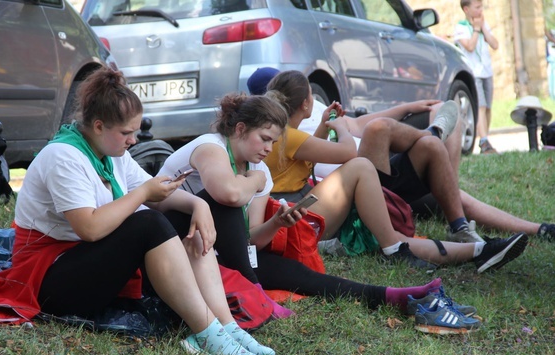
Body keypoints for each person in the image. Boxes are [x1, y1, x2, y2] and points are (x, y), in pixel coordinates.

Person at [0, 68, 275, 355]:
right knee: (149, 224)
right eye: (126, 133)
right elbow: (90, 227)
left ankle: (226, 326)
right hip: (48, 278)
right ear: (99, 126)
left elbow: (157, 191)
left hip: (88, 263)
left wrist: (199, 207)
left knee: (183, 222)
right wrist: (143, 195)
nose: (133, 140)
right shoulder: (62, 156)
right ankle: (208, 334)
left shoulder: (114, 154)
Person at [158, 92, 482, 334]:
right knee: (227, 203)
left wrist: (274, 223)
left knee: (307, 279)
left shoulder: (258, 169)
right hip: (172, 242)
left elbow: (247, 241)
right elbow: (227, 194)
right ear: (240, 128)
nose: (269, 149)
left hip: (222, 254)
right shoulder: (211, 146)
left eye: (274, 142)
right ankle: (256, 294)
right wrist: (255, 180)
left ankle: (397, 296)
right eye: (264, 139)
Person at [247, 67, 555, 243]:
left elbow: (356, 124)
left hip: (379, 179)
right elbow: (345, 147)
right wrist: (338, 127)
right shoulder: (286, 135)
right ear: (304, 101)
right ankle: (436, 149)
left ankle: (439, 155)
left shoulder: (301, 127)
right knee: (385, 131)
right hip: (366, 190)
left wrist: (408, 108)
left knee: (417, 135)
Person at [454, 0, 499, 155]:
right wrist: (476, 29)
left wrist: (483, 29)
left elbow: (495, 44)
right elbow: (470, 47)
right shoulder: (460, 27)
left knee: (487, 107)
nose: (481, 10)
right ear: (466, 9)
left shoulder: (484, 25)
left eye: (482, 7)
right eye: (477, 7)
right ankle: (484, 141)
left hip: (487, 71)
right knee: (480, 106)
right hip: (474, 72)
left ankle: (486, 137)